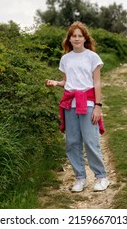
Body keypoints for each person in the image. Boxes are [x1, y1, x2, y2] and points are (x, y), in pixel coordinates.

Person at [45, 21, 109, 192]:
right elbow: (67, 82)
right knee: (72, 142)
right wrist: (55, 83)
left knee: (90, 140)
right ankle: (80, 178)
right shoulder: (65, 59)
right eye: (74, 36)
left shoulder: (92, 57)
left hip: (87, 103)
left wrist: (97, 106)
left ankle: (101, 176)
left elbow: (96, 82)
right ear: (69, 39)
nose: (77, 38)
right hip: (70, 104)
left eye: (80, 36)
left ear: (85, 38)